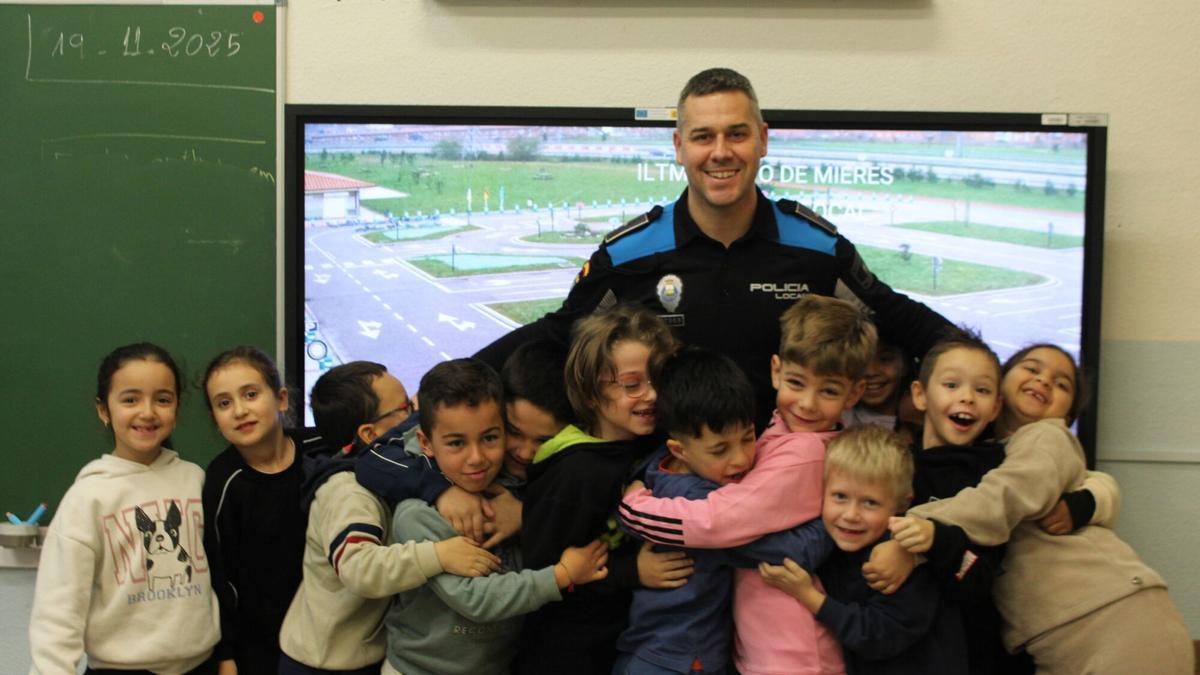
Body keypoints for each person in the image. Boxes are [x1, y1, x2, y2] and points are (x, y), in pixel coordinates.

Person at [476, 67, 952, 432]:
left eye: (737, 134)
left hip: (786, 482)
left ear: (762, 140)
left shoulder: (817, 248)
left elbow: (900, 318)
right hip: (663, 482)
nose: (720, 152)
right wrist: (450, 385)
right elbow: (556, 334)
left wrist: (982, 373)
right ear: (680, 147)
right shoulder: (628, 255)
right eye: (703, 137)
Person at [890, 345, 1195, 674]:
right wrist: (1096, 497)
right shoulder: (995, 453)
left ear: (1067, 418)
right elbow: (1093, 482)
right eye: (1031, 368)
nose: (1044, 381)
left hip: (1112, 616)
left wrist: (909, 531)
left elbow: (1008, 496)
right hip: (1059, 635)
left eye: (1062, 384)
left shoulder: (1047, 437)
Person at [619, 294, 877, 675]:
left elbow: (719, 522)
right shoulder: (787, 431)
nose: (806, 404)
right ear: (775, 371)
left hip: (791, 653)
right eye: (796, 382)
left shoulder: (806, 452)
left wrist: (634, 507)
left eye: (828, 391)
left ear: (854, 393)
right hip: (767, 643)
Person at [381, 358, 609, 675]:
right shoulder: (418, 514)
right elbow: (474, 601)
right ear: (426, 443)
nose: (477, 458)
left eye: (490, 438)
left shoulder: (514, 491)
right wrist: (561, 575)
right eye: (457, 443)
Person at [278, 361, 502, 675]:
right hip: (327, 662)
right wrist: (439, 555)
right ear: (370, 434)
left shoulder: (397, 469)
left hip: (366, 651)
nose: (415, 414)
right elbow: (358, 566)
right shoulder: (348, 492)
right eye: (405, 408)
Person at [516, 304, 689, 675]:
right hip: (570, 651)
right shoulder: (577, 472)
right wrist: (632, 572)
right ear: (591, 392)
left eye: (659, 378)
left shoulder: (657, 443)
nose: (651, 395)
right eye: (631, 385)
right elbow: (543, 572)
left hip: (629, 641)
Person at [30, 343, 220, 674]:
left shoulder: (195, 479)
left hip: (202, 665)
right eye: (130, 399)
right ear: (104, 410)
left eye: (162, 399)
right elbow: (58, 610)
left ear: (176, 407)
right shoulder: (88, 497)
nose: (147, 412)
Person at [758, 425, 968, 675]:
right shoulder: (831, 546)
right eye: (840, 497)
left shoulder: (904, 557)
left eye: (870, 502)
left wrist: (808, 595)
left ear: (903, 503)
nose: (851, 515)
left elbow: (878, 636)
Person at [200, 346, 313, 675]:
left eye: (250, 394)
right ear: (215, 419)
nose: (239, 410)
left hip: (331, 639)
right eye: (224, 403)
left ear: (281, 398)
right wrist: (225, 655)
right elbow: (218, 580)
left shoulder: (322, 448)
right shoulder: (222, 484)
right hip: (261, 650)